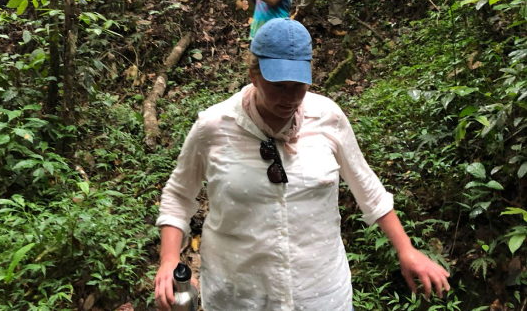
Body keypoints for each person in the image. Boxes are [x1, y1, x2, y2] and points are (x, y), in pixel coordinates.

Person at [154, 18, 451, 311]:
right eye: (279, 85)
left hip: (320, 293)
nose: (291, 97)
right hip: (239, 294)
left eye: (299, 84)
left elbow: (368, 188)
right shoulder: (214, 127)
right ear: (253, 75)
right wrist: (169, 260)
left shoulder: (328, 117)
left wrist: (406, 249)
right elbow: (179, 195)